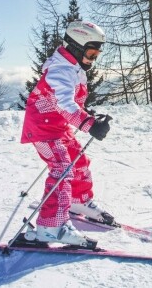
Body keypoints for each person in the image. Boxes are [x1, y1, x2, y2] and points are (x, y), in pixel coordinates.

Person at [20, 20, 113, 247]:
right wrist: (88, 124)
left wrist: (87, 114)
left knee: (78, 161)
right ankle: (50, 227)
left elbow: (70, 102)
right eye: (90, 53)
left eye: (96, 55)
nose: (92, 59)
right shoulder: (60, 70)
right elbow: (63, 104)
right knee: (61, 167)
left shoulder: (72, 66)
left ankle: (77, 201)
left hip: (57, 126)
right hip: (42, 129)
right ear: (76, 46)